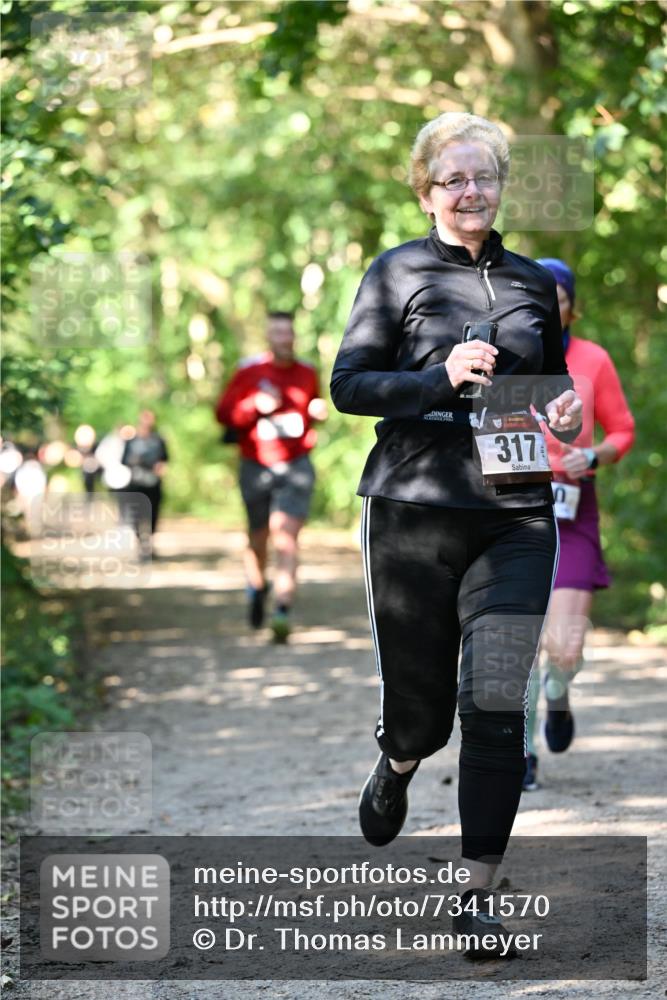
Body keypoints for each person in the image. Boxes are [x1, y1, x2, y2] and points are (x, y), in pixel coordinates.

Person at [330, 111, 582, 956]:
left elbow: (545, 382)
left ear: (502, 182)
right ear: (425, 189)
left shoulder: (526, 284)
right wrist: (433, 376)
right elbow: (348, 386)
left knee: (495, 703)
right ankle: (397, 759)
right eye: (452, 179)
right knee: (423, 713)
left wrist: (559, 405)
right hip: (412, 509)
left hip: (513, 513)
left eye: (483, 177)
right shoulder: (394, 273)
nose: (469, 191)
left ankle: (476, 894)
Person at [522, 259, 635, 791]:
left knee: (563, 646)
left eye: (557, 294)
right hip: (513, 507)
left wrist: (589, 457)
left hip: (573, 511)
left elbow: (623, 431)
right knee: (515, 637)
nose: (548, 303)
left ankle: (558, 693)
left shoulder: (593, 359)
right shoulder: (506, 358)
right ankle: (518, 755)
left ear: (570, 304)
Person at [215, 312, 328, 643]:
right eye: (277, 333)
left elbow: (309, 413)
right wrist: (254, 406)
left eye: (288, 333)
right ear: (268, 337)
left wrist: (315, 414)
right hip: (256, 464)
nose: (284, 339)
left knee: (286, 536)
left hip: (296, 464)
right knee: (258, 536)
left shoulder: (307, 372)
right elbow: (223, 414)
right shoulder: (249, 370)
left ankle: (281, 610)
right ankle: (257, 586)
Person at [121, 410, 169, 560]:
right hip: (136, 483)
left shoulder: (158, 440)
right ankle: (141, 543)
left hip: (153, 483)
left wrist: (160, 467)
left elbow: (165, 459)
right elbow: (124, 460)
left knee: (153, 514)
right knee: (136, 515)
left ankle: (149, 544)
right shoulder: (131, 441)